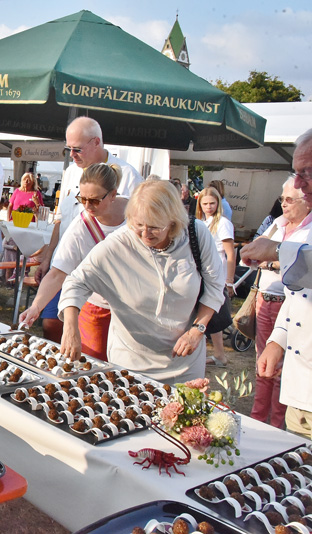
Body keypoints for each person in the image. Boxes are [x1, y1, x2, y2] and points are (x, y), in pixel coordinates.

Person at [59, 180, 224, 383]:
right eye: (138, 225)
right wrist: (70, 327)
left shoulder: (196, 235)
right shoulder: (118, 245)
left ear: (173, 221)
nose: (145, 233)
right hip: (131, 363)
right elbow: (76, 282)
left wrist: (197, 330)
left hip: (185, 361)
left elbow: (216, 286)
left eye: (154, 227)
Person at [34, 117, 144, 341]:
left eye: (77, 149)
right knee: (51, 322)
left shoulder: (128, 175)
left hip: (104, 279)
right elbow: (61, 218)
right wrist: (49, 254)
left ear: (96, 142)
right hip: (66, 263)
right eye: (68, 149)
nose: (72, 155)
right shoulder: (71, 172)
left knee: (94, 335)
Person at [19, 164, 127, 358]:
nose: (87, 206)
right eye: (82, 199)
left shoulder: (136, 216)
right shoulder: (82, 225)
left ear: (113, 194)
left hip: (132, 309)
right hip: (98, 308)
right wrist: (36, 306)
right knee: (94, 365)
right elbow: (58, 273)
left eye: (94, 200)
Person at [248, 128, 312, 438]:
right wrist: (279, 338)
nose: (299, 184)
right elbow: (299, 296)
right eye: (297, 174)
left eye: (307, 173)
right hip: (302, 391)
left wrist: (276, 251)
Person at [195, 187, 235, 367]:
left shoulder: (223, 223)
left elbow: (230, 255)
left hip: (217, 275)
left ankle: (219, 355)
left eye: (212, 203)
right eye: (205, 204)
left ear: (218, 203)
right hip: (203, 274)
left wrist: (230, 281)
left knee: (214, 316)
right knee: (205, 316)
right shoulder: (201, 222)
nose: (209, 207)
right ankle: (214, 354)